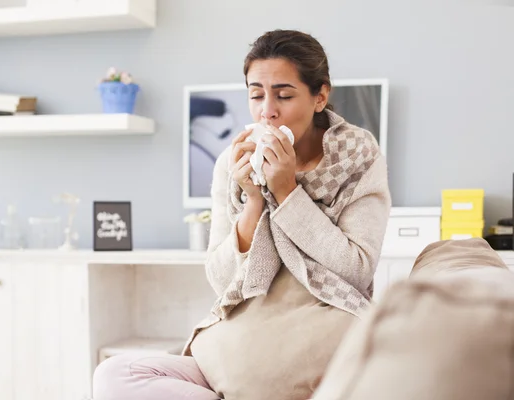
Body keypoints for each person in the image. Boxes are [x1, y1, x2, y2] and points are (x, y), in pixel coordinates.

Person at [92, 29, 391, 400]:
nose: (268, 110)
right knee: (115, 374)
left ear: (320, 96)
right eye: (255, 95)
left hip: (320, 326)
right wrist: (252, 200)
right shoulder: (231, 163)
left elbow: (357, 268)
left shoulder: (359, 158)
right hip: (241, 333)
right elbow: (221, 281)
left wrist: (286, 192)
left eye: (284, 95)